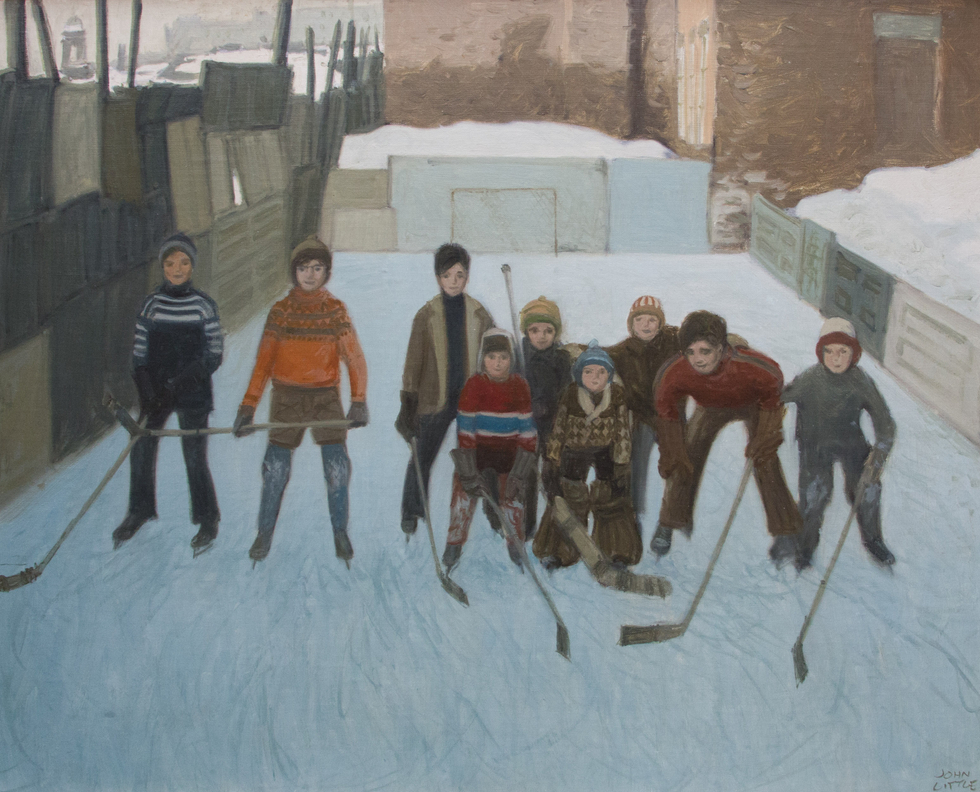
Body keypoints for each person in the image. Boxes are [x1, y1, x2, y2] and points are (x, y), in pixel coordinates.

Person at [233, 237, 368, 564]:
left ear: (327, 272)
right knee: (275, 469)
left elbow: (354, 357)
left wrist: (359, 399)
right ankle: (264, 532)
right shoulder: (281, 311)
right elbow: (264, 362)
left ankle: (340, 531)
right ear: (294, 272)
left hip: (325, 397)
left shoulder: (335, 310)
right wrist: (248, 406)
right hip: (287, 398)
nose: (310, 274)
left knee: (337, 468)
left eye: (317, 268)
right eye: (304, 268)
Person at [651, 310, 802, 562]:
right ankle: (670, 520)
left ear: (721, 349)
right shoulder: (674, 373)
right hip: (710, 406)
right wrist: (672, 452)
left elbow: (773, 392)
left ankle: (785, 530)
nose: (697, 360)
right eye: (691, 352)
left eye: (705, 351)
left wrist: (765, 437)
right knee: (685, 454)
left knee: (765, 458)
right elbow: (667, 415)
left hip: (753, 402)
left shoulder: (753, 367)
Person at [112, 233, 223, 553]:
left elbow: (214, 353)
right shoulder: (152, 304)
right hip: (156, 392)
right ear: (163, 266)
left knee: (194, 454)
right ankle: (140, 509)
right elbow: (139, 354)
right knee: (142, 446)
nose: (177, 269)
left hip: (193, 392)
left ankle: (207, 518)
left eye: (184, 262)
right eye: (171, 263)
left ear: (192, 266)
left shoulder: (203, 305)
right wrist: (148, 391)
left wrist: (182, 384)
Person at [396, 243, 494, 536]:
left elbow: (493, 355)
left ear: (467, 277)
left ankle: (493, 510)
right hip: (434, 399)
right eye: (447, 274)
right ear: (438, 277)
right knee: (422, 455)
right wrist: (408, 402)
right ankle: (412, 509)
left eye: (460, 274)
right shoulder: (426, 315)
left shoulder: (479, 314)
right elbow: (413, 362)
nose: (454, 280)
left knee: (484, 457)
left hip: (470, 400)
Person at [782, 318, 896, 569]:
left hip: (851, 444)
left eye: (843, 351)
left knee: (867, 490)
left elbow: (886, 423)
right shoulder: (810, 379)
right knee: (814, 495)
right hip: (815, 446)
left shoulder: (860, 381)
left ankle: (873, 540)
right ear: (821, 353)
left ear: (853, 354)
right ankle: (804, 545)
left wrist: (877, 457)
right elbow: (779, 397)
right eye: (829, 351)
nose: (835, 358)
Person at [534, 341, 641, 569]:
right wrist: (552, 459)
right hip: (574, 450)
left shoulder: (617, 395)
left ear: (609, 376)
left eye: (601, 372)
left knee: (611, 497)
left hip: (606, 450)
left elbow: (623, 430)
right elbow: (559, 428)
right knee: (570, 497)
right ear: (579, 374)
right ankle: (559, 551)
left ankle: (617, 550)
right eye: (588, 372)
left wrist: (622, 463)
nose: (595, 377)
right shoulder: (571, 395)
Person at [442, 328, 537, 572]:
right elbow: (465, 429)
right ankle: (454, 542)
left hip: (509, 454)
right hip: (479, 453)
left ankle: (515, 544)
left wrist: (520, 469)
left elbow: (527, 431)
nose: (498, 363)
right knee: (463, 496)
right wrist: (468, 469)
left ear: (511, 360)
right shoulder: (474, 385)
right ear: (483, 359)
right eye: (492, 357)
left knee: (513, 499)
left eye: (503, 357)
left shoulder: (520, 386)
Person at [605, 295, 681, 529]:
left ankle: (669, 520)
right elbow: (597, 356)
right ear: (631, 324)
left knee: (678, 464)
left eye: (652, 320)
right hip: (643, 417)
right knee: (635, 462)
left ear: (660, 323)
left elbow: (700, 337)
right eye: (640, 320)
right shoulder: (623, 351)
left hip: (671, 416)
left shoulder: (673, 343)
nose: (646, 325)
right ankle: (633, 514)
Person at [518, 295, 573, 539]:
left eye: (548, 330)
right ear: (526, 332)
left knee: (552, 476)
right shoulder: (519, 357)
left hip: (552, 428)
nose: (541, 336)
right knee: (526, 474)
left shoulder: (561, 359)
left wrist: (552, 409)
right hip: (527, 427)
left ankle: (555, 525)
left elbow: (566, 393)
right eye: (534, 330)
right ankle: (526, 523)